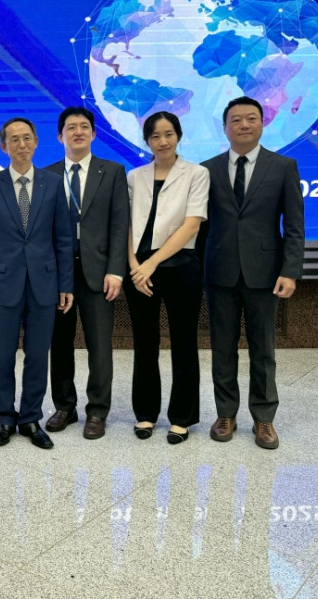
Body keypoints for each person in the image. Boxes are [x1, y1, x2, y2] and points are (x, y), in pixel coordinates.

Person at [202, 96, 304, 449]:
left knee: (263, 350)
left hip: (265, 273)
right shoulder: (207, 169)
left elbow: (294, 225)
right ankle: (225, 414)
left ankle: (264, 418)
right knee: (222, 348)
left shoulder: (283, 167)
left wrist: (290, 270)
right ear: (225, 127)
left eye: (251, 118)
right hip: (219, 272)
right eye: (236, 120)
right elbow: (200, 227)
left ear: (262, 123)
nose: (243, 125)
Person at [0, 118, 74, 449]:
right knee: (3, 354)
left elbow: (63, 238)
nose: (22, 144)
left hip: (44, 283)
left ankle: (30, 417)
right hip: (4, 283)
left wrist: (65, 284)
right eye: (14, 139)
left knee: (37, 355)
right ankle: (5, 416)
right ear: (3, 146)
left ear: (36, 142)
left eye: (27, 138)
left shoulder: (53, 183)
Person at [43, 107, 129, 440]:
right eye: (70, 127)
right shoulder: (47, 175)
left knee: (99, 345)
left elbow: (120, 225)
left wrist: (116, 271)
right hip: (58, 274)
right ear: (59, 136)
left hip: (99, 272)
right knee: (60, 344)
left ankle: (97, 411)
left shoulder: (113, 172)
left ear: (93, 134)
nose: (77, 132)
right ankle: (65, 406)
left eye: (84, 127)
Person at [124, 111, 209, 444]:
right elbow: (125, 224)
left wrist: (152, 263)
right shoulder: (135, 176)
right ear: (147, 140)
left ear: (179, 136)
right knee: (144, 343)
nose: (163, 141)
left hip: (181, 266)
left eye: (169, 134)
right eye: (156, 136)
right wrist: (135, 265)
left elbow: (192, 223)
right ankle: (145, 413)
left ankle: (182, 417)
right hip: (139, 270)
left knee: (184, 342)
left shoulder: (197, 174)